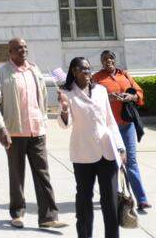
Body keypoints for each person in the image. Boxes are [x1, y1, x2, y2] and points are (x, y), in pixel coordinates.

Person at [0, 38, 66, 229]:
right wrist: (1, 127)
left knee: (43, 174)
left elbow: (43, 98)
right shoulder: (2, 74)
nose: (23, 51)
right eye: (19, 48)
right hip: (15, 132)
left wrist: (43, 119)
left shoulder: (35, 70)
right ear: (10, 52)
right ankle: (17, 213)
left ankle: (48, 217)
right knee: (16, 175)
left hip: (37, 130)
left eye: (25, 48)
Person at [58, 56, 126, 238]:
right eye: (82, 69)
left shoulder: (101, 91)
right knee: (84, 202)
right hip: (83, 154)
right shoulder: (68, 93)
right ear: (73, 71)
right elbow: (65, 125)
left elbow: (110, 121)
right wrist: (64, 108)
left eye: (88, 69)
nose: (87, 72)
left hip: (107, 152)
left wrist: (120, 147)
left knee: (110, 202)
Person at [93, 50, 150, 210]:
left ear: (114, 60)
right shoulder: (97, 78)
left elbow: (139, 93)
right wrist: (109, 98)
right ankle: (111, 195)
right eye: (105, 59)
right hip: (108, 128)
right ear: (101, 62)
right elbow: (90, 97)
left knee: (131, 161)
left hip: (127, 124)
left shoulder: (124, 75)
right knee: (111, 163)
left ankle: (142, 199)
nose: (108, 61)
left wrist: (130, 97)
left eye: (110, 58)